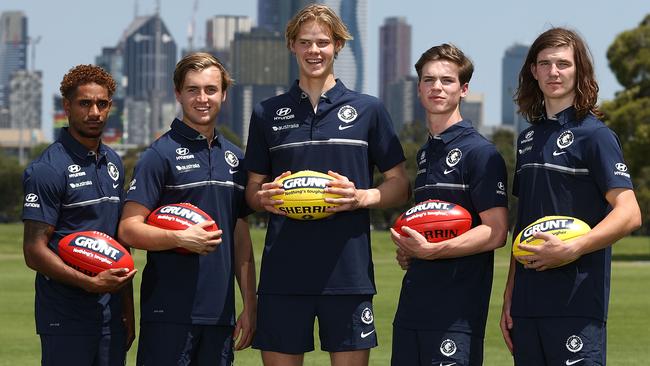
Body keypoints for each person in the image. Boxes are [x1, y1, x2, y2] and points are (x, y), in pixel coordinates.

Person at [244, 4, 410, 366]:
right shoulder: (266, 113)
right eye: (305, 42)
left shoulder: (369, 110)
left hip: (348, 276)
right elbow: (252, 190)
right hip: (283, 276)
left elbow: (400, 184)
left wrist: (361, 196)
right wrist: (264, 197)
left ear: (338, 45)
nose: (313, 51)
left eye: (322, 42)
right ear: (291, 45)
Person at [500, 27, 642, 365]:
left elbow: (630, 212)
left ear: (579, 71)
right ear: (533, 71)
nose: (553, 72)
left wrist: (572, 247)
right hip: (528, 305)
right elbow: (525, 224)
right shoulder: (528, 139)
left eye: (563, 64)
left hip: (576, 304)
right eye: (545, 63)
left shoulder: (595, 135)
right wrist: (510, 296)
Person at [117, 52, 256, 365]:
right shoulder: (159, 155)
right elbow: (129, 228)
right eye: (193, 90)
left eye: (210, 89)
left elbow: (240, 239)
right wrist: (179, 239)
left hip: (220, 317)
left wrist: (250, 305)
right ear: (178, 94)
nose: (202, 98)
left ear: (224, 94)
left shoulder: (235, 159)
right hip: (168, 314)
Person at [389, 44, 509, 365]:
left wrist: (430, 251)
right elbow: (432, 226)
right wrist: (411, 249)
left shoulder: (482, 153)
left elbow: (496, 232)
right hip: (412, 308)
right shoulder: (426, 154)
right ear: (418, 89)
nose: (437, 87)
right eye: (428, 80)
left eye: (447, 80)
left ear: (463, 89)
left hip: (456, 316)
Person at [22, 64, 137, 366]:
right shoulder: (48, 168)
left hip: (110, 316)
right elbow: (34, 251)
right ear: (67, 106)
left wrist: (127, 308)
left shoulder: (113, 161)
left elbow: (119, 245)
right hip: (65, 318)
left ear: (110, 106)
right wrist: (90, 284)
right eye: (85, 103)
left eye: (102, 103)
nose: (95, 112)